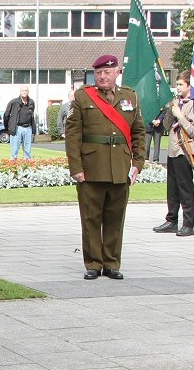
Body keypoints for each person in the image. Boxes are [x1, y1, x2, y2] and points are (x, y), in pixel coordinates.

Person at [65, 54, 145, 280]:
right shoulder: (83, 97)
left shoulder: (130, 96)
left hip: (120, 168)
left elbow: (139, 132)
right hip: (91, 168)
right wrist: (76, 167)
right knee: (91, 218)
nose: (102, 76)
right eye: (98, 72)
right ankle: (93, 263)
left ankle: (111, 263)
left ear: (117, 73)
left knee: (115, 219)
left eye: (107, 72)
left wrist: (137, 163)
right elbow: (72, 136)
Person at [153, 71, 194, 236]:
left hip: (185, 151)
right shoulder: (177, 103)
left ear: (189, 85)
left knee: (185, 188)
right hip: (173, 151)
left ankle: (188, 223)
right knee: (172, 188)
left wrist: (181, 116)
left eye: (181, 85)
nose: (178, 88)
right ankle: (171, 219)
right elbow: (166, 126)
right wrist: (172, 111)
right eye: (177, 84)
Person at [4, 85, 36, 159]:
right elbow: (6, 115)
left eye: (26, 91)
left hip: (28, 128)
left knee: (28, 151)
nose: (24, 92)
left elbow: (32, 116)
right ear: (20, 92)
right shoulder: (13, 102)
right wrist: (8, 128)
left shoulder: (31, 102)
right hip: (17, 128)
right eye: (23, 90)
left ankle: (27, 166)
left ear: (28, 92)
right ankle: (13, 166)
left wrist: (33, 130)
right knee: (14, 151)